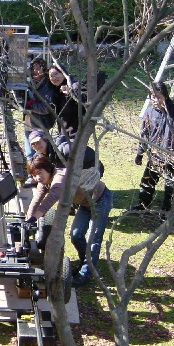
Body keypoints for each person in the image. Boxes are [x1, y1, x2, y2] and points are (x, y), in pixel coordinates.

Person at [25, 154, 113, 287]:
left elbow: (48, 202)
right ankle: (86, 263)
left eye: (39, 172)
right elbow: (36, 200)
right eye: (33, 175)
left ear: (47, 169)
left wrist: (33, 218)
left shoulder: (59, 178)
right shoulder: (44, 182)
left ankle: (85, 275)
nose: (37, 177)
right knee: (76, 235)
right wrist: (27, 220)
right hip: (85, 204)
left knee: (93, 239)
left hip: (100, 200)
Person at [134, 82, 174, 213]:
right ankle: (143, 205)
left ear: (165, 96)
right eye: (153, 97)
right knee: (147, 182)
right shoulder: (149, 112)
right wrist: (140, 153)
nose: (156, 100)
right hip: (155, 156)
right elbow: (144, 135)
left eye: (158, 97)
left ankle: (167, 211)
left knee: (171, 186)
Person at [22, 57, 58, 187]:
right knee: (29, 152)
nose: (35, 72)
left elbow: (47, 108)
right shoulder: (29, 84)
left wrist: (30, 105)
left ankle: (42, 177)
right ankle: (32, 175)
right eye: (33, 69)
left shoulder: (48, 86)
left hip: (40, 124)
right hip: (28, 122)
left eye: (39, 69)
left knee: (39, 152)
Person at [28, 130, 104, 177]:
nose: (37, 145)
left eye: (38, 142)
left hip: (90, 172)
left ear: (45, 139)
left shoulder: (66, 149)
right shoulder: (40, 157)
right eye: (33, 144)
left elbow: (92, 159)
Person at [48, 64, 85, 137]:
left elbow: (85, 101)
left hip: (75, 132)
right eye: (51, 76)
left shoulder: (74, 86)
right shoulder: (56, 91)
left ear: (63, 73)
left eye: (56, 74)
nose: (54, 78)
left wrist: (71, 92)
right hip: (63, 132)